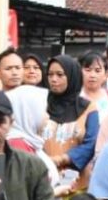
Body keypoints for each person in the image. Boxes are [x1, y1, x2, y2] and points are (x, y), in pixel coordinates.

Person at [42, 55, 99, 191]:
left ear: (72, 76)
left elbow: (91, 144)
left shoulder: (88, 108)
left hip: (77, 183)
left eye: (60, 75)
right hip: (43, 179)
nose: (54, 79)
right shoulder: (40, 104)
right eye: (50, 75)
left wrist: (61, 159)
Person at [80, 51, 108, 122]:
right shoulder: (71, 99)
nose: (92, 75)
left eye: (97, 71)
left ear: (106, 74)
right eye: (88, 70)